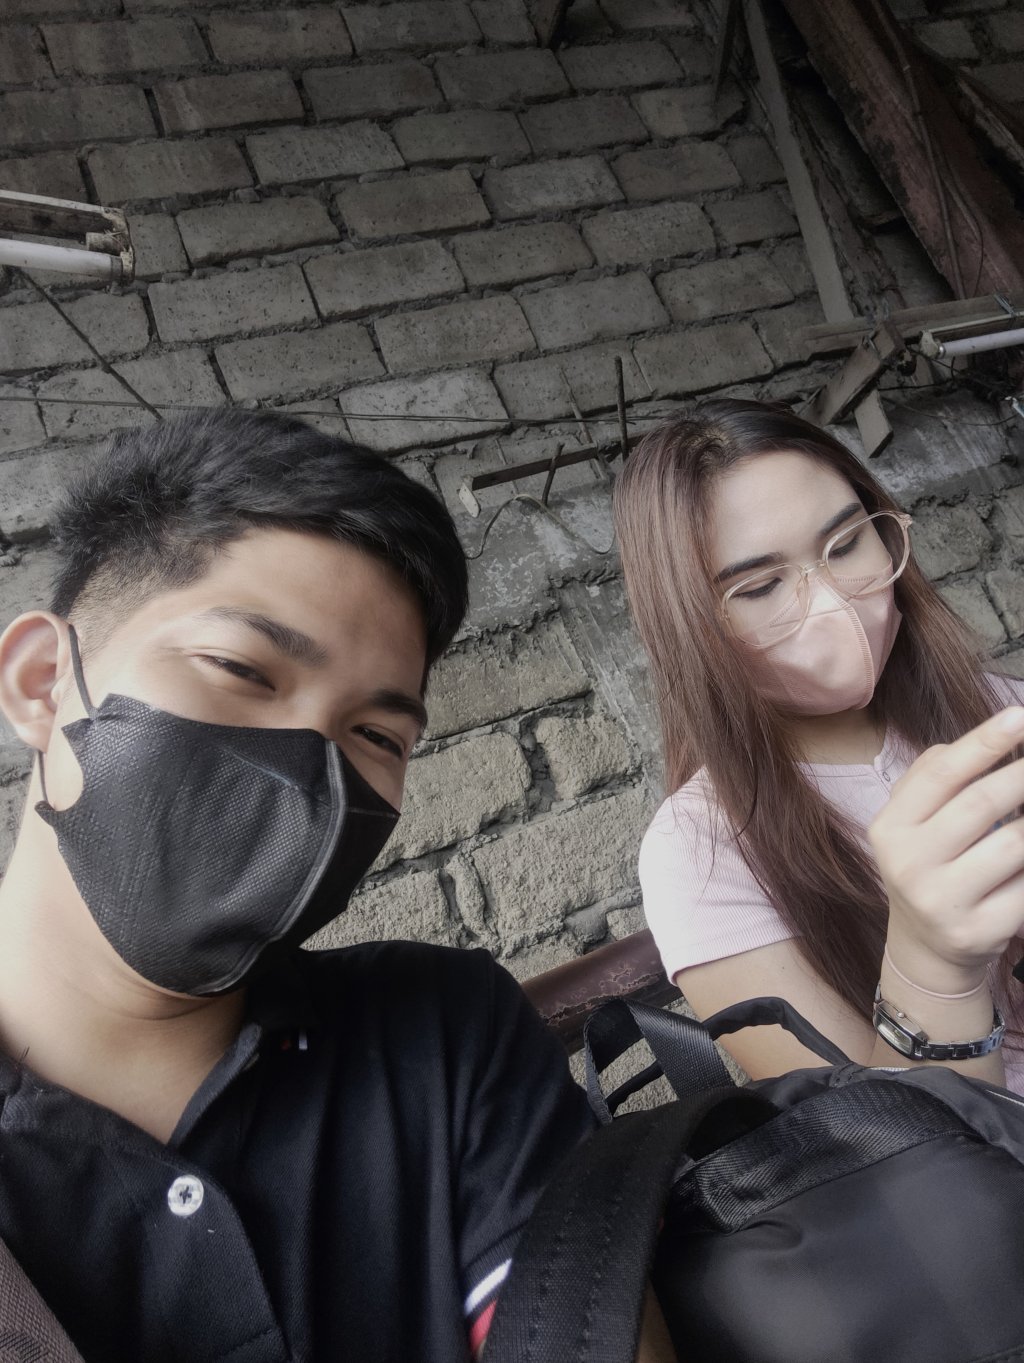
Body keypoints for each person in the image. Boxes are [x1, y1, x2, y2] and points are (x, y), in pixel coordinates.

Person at [0, 410, 677, 1363]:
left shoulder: (442, 1033)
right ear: (40, 682)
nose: (309, 773)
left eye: (376, 735)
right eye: (241, 668)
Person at [614, 398, 1024, 1091]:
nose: (836, 603)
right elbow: (875, 1141)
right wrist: (932, 963)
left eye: (846, 544)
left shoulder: (996, 705)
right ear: (689, 626)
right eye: (760, 586)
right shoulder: (701, 852)